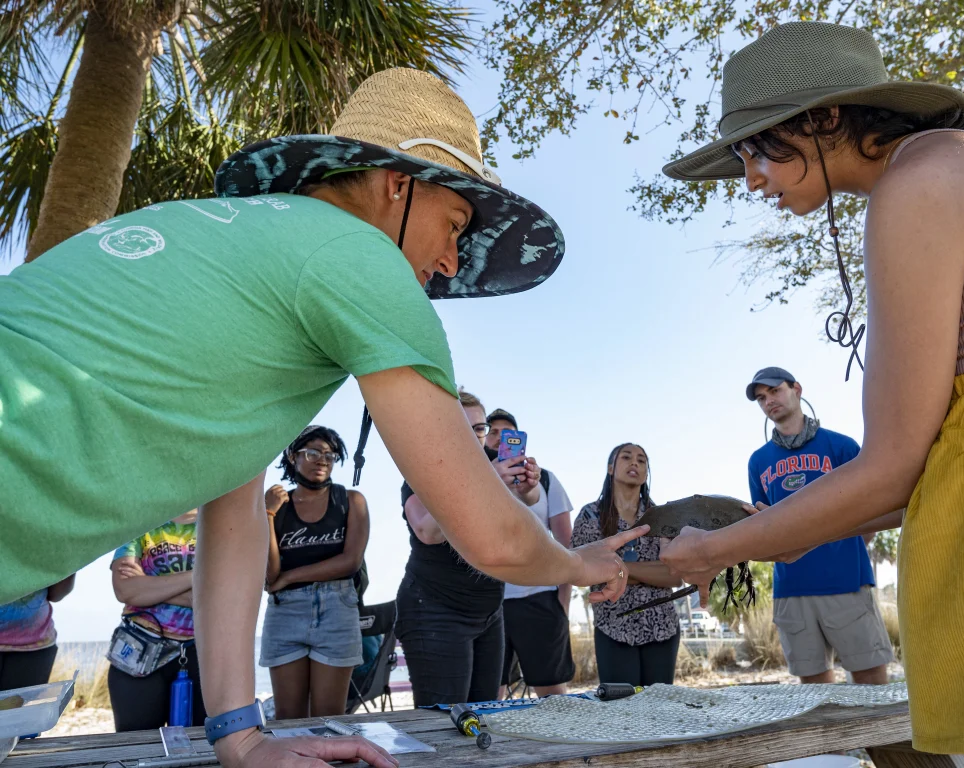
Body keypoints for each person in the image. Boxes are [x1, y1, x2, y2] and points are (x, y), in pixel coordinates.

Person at [0, 67, 644, 768]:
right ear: (400, 184)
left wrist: (240, 733)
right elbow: (491, 535)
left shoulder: (222, 242)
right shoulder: (363, 256)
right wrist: (577, 563)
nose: (453, 260)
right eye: (454, 224)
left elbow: (235, 514)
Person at [659, 21, 964, 763]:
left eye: (758, 148)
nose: (752, 177)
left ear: (827, 119)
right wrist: (751, 539)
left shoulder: (922, 179)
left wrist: (719, 549)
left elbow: (893, 467)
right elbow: (930, 475)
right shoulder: (960, 165)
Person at [746, 367, 892, 684]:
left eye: (775, 390)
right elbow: (763, 525)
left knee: (871, 684)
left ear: (797, 389)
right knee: (815, 692)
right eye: (761, 398)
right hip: (791, 588)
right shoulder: (759, 461)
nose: (768, 401)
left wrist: (841, 550)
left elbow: (870, 512)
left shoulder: (841, 446)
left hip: (846, 582)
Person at [396, 391, 542, 707]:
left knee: (485, 715)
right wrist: (489, 480)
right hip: (434, 609)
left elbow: (528, 501)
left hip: (488, 610)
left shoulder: (493, 463)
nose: (474, 435)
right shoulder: (424, 466)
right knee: (442, 722)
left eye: (479, 428)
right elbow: (427, 530)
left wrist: (528, 488)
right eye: (463, 425)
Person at [261, 426, 367, 719]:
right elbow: (271, 575)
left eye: (329, 455)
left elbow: (350, 562)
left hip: (337, 608)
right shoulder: (277, 507)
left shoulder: (351, 501)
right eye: (313, 453)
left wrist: (291, 577)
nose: (322, 460)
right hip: (286, 612)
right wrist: (267, 514)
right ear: (293, 456)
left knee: (329, 719)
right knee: (288, 719)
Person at [572, 444, 682, 686]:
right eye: (627, 457)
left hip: (661, 628)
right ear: (611, 468)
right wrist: (652, 570)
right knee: (621, 714)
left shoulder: (662, 516)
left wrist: (618, 571)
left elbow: (675, 574)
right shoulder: (590, 516)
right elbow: (583, 571)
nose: (635, 463)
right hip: (613, 628)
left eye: (642, 461)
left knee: (661, 712)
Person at [485, 408, 576, 698]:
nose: (499, 437)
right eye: (492, 431)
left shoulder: (545, 480)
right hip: (489, 601)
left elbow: (566, 544)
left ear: (519, 438)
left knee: (552, 695)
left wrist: (562, 603)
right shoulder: (475, 482)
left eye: (507, 432)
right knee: (489, 694)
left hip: (538, 598)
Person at [108, 512, 204, 731]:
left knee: (204, 746)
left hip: (203, 652)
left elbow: (219, 596)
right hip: (138, 652)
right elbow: (125, 589)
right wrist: (196, 575)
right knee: (138, 748)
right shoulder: (140, 523)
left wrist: (147, 586)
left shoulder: (218, 525)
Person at [0, 576, 75, 691]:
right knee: (22, 709)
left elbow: (57, 593)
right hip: (36, 642)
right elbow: (57, 593)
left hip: (36, 647)